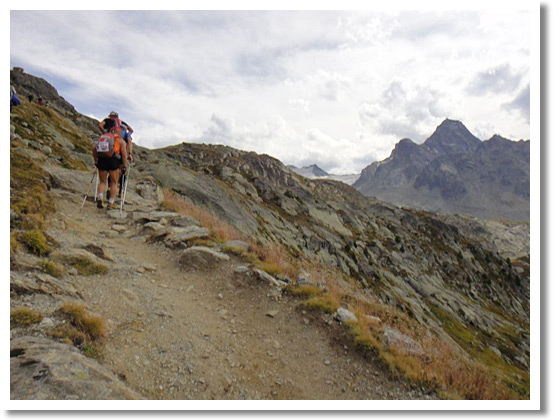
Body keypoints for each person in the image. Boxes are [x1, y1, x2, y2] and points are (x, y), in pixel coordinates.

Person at [92, 129, 128, 209]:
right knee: (114, 182)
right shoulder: (121, 141)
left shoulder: (104, 138)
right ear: (120, 134)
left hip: (102, 160)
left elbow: (94, 148)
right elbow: (124, 154)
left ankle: (100, 197)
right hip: (113, 161)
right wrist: (124, 165)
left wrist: (96, 160)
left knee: (102, 181)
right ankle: (111, 202)